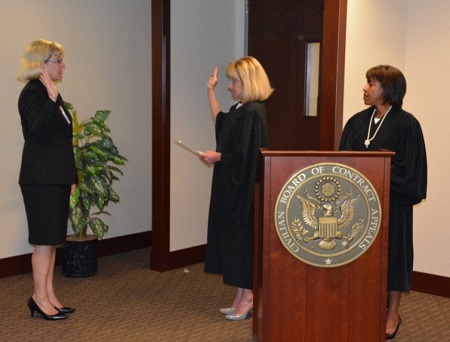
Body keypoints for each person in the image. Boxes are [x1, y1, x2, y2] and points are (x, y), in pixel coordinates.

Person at [339, 65, 427, 340]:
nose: (365, 89)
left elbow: (411, 169)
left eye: (371, 84)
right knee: (361, 258)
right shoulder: (356, 122)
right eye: (367, 83)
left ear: (388, 89)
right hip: (359, 206)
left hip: (393, 205)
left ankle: (392, 314)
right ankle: (363, 307)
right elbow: (342, 160)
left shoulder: (407, 124)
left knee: (394, 258)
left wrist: (378, 165)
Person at [200, 56, 273, 321]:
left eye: (233, 81)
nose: (229, 86)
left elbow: (246, 156)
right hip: (230, 187)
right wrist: (209, 90)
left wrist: (218, 157)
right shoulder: (241, 110)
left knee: (243, 243)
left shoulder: (254, 113)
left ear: (248, 82)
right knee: (234, 242)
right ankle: (241, 295)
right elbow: (221, 123)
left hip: (244, 193)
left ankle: (250, 295)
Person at [17, 39, 78, 320]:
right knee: (43, 241)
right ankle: (38, 298)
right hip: (40, 180)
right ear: (42, 64)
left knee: (51, 241)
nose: (63, 65)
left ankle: (50, 294)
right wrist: (52, 100)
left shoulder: (50, 92)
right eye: (58, 60)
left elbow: (64, 140)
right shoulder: (32, 94)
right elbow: (38, 134)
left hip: (56, 177)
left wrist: (72, 177)